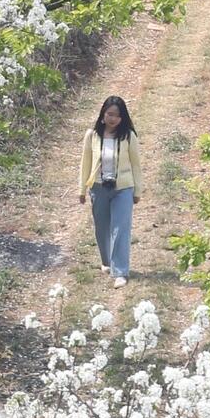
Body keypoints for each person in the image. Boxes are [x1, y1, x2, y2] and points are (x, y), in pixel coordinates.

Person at [78, 94, 141, 287]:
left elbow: (136, 165)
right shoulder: (92, 135)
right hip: (98, 187)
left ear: (123, 118)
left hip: (123, 188)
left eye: (117, 115)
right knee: (102, 227)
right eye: (109, 114)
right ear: (103, 114)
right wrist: (81, 189)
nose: (112, 118)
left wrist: (137, 190)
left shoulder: (128, 136)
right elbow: (85, 163)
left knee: (120, 229)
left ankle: (120, 271)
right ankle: (106, 261)